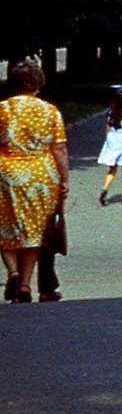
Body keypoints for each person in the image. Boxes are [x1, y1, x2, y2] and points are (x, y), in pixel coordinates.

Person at [1, 59, 69, 304]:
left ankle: (13, 272)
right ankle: (26, 284)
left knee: (6, 226)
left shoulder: (3, 109)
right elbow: (59, 148)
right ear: (38, 82)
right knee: (34, 231)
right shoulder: (50, 111)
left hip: (7, 172)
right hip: (42, 174)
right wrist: (64, 179)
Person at [96, 85, 122, 205]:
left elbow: (107, 127)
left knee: (112, 168)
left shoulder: (111, 111)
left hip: (112, 138)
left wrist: (107, 140)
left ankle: (105, 188)